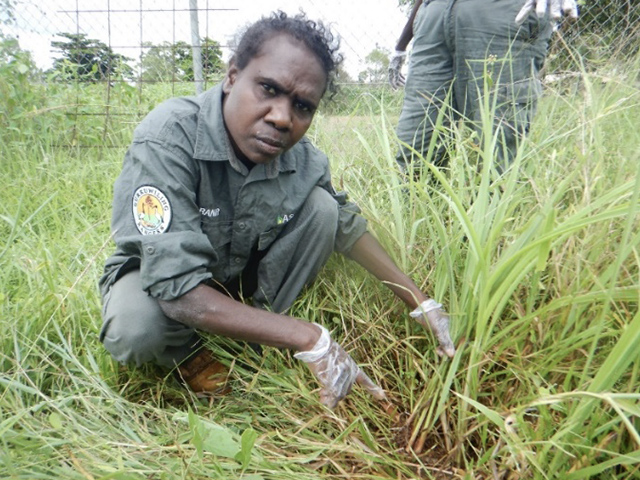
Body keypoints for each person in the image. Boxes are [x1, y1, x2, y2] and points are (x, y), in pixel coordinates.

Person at [98, 11, 456, 409]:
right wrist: (311, 338)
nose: (282, 118)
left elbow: (347, 226)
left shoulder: (303, 159)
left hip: (235, 276)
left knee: (323, 209)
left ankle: (259, 334)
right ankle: (188, 353)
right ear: (233, 76)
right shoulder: (169, 138)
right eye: (268, 89)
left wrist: (420, 301)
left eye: (303, 106)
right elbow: (176, 290)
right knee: (135, 328)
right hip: (162, 281)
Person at [388, 0, 578, 174]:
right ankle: (417, 208)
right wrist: (400, 46)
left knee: (498, 146)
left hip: (502, 14)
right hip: (433, 18)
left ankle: (495, 206)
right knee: (416, 148)